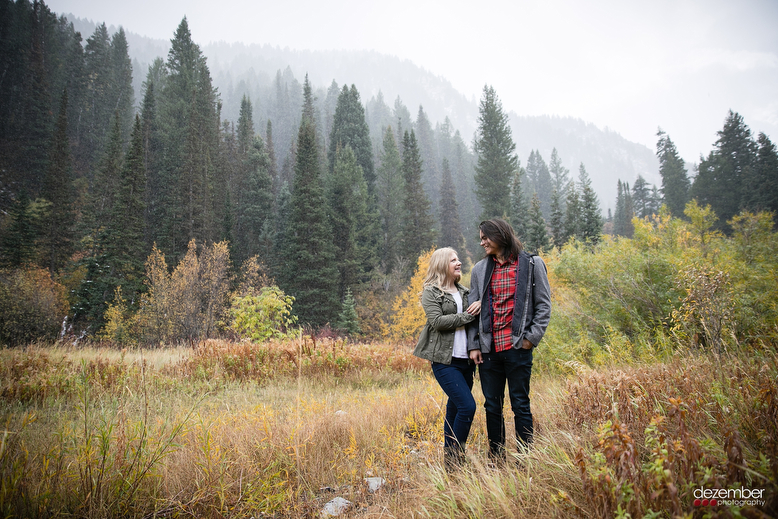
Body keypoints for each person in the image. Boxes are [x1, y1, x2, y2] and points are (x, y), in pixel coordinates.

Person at [467, 218, 551, 461]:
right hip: (489, 351)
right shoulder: (479, 270)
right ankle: (497, 460)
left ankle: (525, 459)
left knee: (520, 405)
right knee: (492, 407)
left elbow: (544, 306)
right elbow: (472, 311)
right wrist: (474, 345)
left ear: (501, 236)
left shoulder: (532, 264)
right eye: (481, 238)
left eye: (485, 237)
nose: (482, 242)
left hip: (517, 349)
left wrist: (531, 339)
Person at [413, 247, 481, 469]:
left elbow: (476, 324)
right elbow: (437, 322)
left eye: (459, 259)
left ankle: (450, 467)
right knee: (467, 407)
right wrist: (468, 315)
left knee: (454, 410)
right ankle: (457, 460)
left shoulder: (466, 292)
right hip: (445, 361)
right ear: (443, 265)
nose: (459, 263)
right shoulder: (431, 293)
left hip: (466, 362)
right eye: (453, 260)